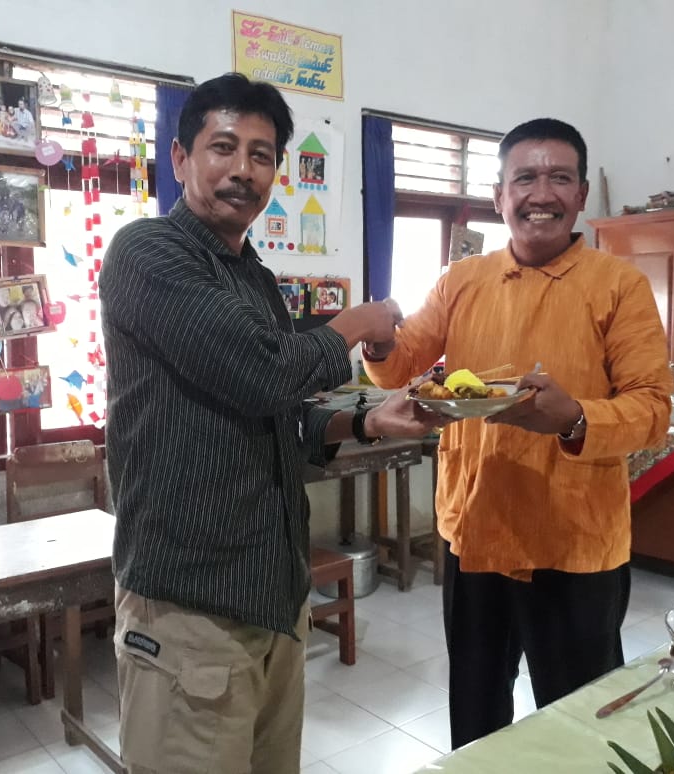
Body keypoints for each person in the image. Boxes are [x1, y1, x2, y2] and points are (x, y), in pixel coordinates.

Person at [99, 73, 442, 774]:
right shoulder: (146, 253)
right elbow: (266, 374)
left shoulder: (254, 278)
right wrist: (358, 321)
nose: (243, 169)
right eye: (223, 147)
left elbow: (274, 414)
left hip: (274, 600)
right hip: (189, 608)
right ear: (180, 159)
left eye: (261, 155)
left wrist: (369, 422)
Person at [363, 118, 672, 749]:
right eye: (525, 178)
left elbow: (652, 410)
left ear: (580, 194)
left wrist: (576, 418)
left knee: (581, 723)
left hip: (574, 541)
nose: (541, 193)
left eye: (559, 178)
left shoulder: (620, 286)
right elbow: (400, 364)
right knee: (476, 717)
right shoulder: (460, 281)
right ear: (499, 195)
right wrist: (378, 338)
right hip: (475, 528)